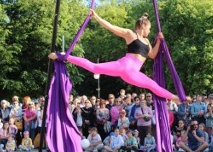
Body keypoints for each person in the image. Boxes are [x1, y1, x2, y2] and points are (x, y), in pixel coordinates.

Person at [49, 11, 179, 103]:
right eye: (149, 28)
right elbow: (111, 27)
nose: (150, 31)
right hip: (123, 66)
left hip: (133, 74)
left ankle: (175, 97)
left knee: (152, 85)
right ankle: (63, 56)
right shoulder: (130, 34)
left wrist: (159, 41)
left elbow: (153, 55)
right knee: (95, 68)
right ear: (143, 26)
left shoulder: (147, 42)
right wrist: (97, 17)